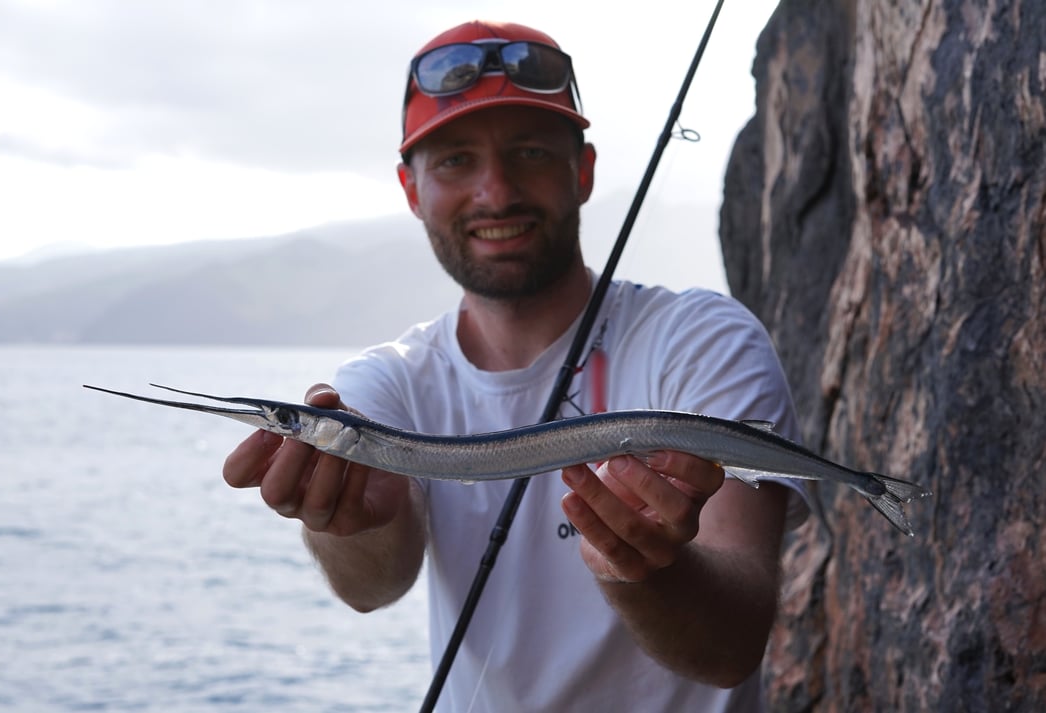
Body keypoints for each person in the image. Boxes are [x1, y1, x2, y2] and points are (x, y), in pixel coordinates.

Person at [223, 19, 807, 713]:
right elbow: (372, 587)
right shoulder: (383, 385)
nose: (495, 192)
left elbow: (731, 645)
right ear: (412, 191)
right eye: (454, 161)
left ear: (582, 172)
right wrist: (348, 522)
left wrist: (642, 571)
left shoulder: (704, 342)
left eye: (529, 152)